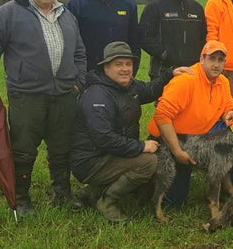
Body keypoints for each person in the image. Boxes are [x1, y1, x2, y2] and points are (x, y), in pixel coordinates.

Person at [0, 0, 87, 218]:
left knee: (61, 148)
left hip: (64, 95)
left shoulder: (66, 15)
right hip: (27, 96)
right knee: (24, 150)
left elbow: (80, 53)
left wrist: (78, 81)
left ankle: (62, 195)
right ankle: (22, 199)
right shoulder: (9, 13)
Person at [70, 41, 189, 222]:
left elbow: (150, 90)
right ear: (106, 68)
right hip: (91, 160)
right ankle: (107, 201)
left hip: (111, 153)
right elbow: (104, 139)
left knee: (149, 157)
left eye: (128, 64)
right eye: (118, 64)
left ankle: (94, 191)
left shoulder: (129, 86)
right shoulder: (98, 96)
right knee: (149, 162)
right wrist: (141, 146)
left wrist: (169, 74)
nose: (125, 69)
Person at [147, 40, 233, 206]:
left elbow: (228, 105)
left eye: (221, 60)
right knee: (174, 202)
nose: (216, 64)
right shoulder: (186, 80)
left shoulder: (223, 82)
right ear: (202, 58)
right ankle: (146, 180)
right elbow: (161, 115)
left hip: (199, 137)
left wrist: (231, 113)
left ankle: (229, 187)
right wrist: (177, 151)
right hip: (168, 141)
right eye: (212, 59)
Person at [66, 0, 140, 74]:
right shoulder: (76, 3)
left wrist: (133, 71)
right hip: (88, 74)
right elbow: (70, 44)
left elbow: (134, 41)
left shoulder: (128, 2)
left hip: (120, 75)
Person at [139, 0, 206, 82]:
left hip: (193, 72)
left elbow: (203, 38)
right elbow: (144, 38)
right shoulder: (154, 7)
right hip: (163, 74)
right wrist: (164, 54)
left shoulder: (197, 8)